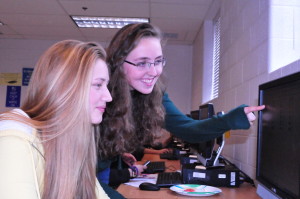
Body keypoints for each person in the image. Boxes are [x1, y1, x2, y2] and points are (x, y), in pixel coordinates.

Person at [96, 23, 265, 186]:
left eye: (158, 61)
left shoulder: (154, 95)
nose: (154, 72)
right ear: (118, 63)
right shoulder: (98, 94)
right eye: (142, 63)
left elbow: (188, 129)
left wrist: (230, 120)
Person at [0, 40, 115, 199]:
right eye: (98, 85)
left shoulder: (70, 140)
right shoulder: (13, 138)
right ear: (66, 87)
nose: (108, 97)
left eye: (106, 86)